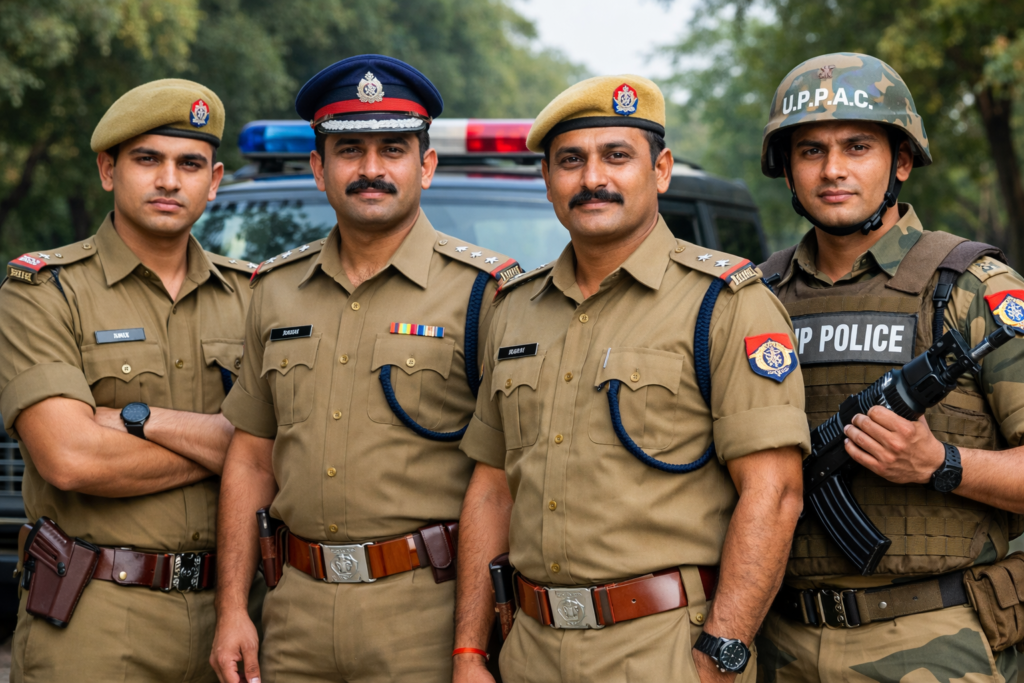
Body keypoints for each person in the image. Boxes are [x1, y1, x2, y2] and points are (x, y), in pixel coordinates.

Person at [451, 74, 811, 683]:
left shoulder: (724, 303)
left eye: (617, 156)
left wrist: (719, 657)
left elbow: (774, 493)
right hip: (529, 649)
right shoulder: (514, 310)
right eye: (571, 161)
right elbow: (492, 490)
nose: (592, 178)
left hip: (664, 651)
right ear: (547, 180)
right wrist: (469, 651)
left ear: (660, 170)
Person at [210, 54, 522, 683]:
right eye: (349, 149)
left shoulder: (487, 293)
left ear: (426, 166)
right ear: (318, 168)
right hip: (293, 614)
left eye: (393, 149)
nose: (371, 169)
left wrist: (472, 646)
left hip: (426, 616)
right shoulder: (274, 290)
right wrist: (232, 610)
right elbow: (250, 460)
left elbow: (506, 477)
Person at [755, 52, 1024, 683]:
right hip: (779, 642)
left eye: (857, 147)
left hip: (936, 641)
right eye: (811, 151)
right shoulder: (756, 300)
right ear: (787, 170)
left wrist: (941, 464)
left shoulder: (973, 291)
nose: (833, 170)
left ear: (901, 161)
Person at [0, 79, 259, 682]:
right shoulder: (44, 292)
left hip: (238, 612)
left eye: (189, 164)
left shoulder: (256, 298)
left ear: (214, 180)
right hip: (93, 617)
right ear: (107, 170)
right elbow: (71, 459)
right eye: (147, 159)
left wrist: (140, 422)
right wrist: (237, 448)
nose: (169, 180)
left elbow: (293, 452)